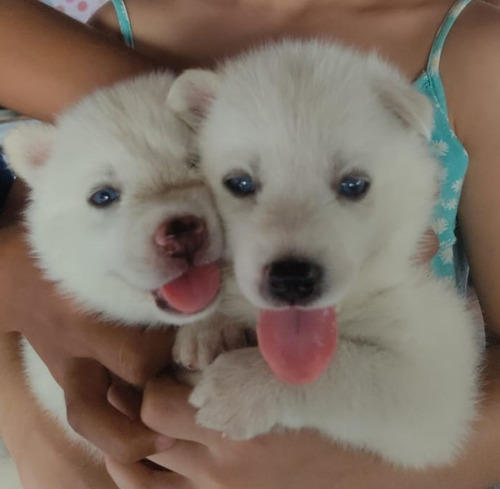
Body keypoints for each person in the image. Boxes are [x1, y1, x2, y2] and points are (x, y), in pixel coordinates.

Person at [1, 0, 500, 487]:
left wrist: (425, 470)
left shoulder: (472, 51)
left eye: (351, 186)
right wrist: (30, 431)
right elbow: (44, 277)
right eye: (240, 186)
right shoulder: (101, 36)